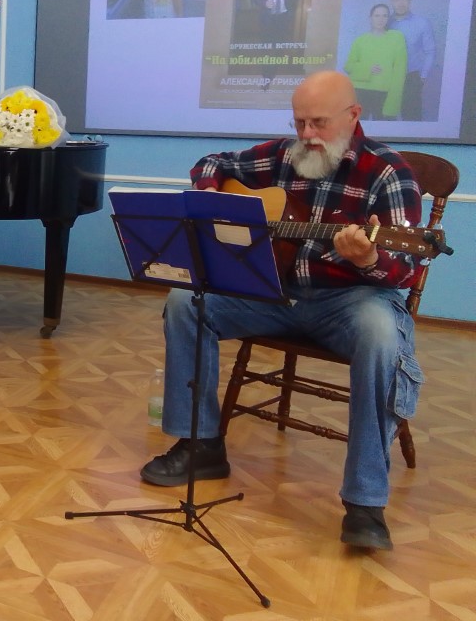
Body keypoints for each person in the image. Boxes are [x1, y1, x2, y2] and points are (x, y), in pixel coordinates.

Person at [139, 71, 423, 551]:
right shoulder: (281, 156)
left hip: (350, 301)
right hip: (276, 294)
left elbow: (406, 269)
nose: (307, 135)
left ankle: (365, 503)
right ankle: (201, 444)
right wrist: (211, 193)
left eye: (319, 123)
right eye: (299, 123)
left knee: (382, 334)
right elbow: (212, 162)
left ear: (353, 116)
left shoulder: (388, 173)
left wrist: (369, 257)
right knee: (186, 299)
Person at [343, 3, 408, 120]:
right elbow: (348, 66)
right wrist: (368, 69)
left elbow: (400, 70)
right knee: (358, 127)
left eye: (384, 16)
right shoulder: (360, 40)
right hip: (360, 91)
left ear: (388, 18)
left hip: (384, 93)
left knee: (384, 126)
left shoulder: (397, 38)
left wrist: (393, 99)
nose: (380, 19)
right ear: (370, 18)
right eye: (377, 16)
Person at [387, 0, 436, 122]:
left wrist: (423, 76)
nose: (400, 4)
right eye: (397, 0)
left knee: (412, 118)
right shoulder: (384, 22)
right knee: (386, 119)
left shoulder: (422, 23)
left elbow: (430, 51)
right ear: (391, 1)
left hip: (411, 78)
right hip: (386, 78)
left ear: (410, 1)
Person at [254, 0, 298, 85]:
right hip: (267, 19)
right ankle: (266, 76)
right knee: (267, 48)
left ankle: (273, 71)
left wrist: (291, 13)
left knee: (279, 47)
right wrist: (264, 3)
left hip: (284, 19)